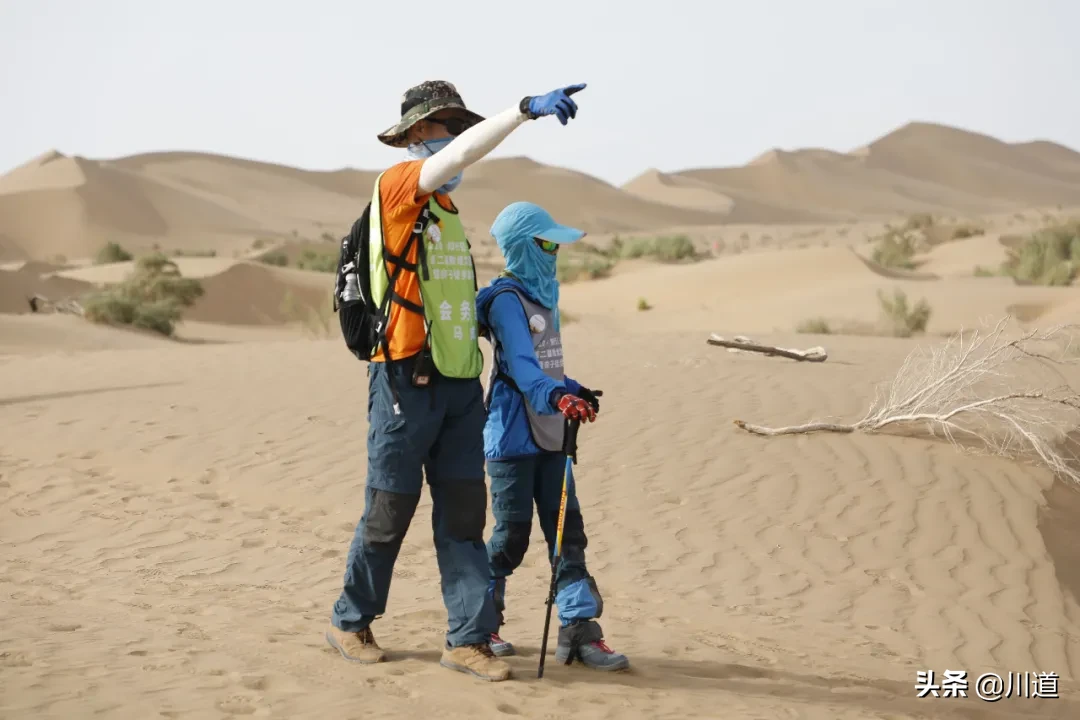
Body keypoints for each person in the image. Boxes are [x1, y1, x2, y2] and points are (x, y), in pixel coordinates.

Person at [325, 80, 588, 683]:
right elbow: (458, 156)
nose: (455, 138)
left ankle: (467, 640)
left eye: (457, 125)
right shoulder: (398, 188)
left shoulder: (445, 215)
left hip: (459, 390)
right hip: (402, 384)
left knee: (465, 520)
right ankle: (351, 619)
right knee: (389, 513)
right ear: (418, 132)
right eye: (445, 125)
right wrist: (521, 113)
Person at [475, 201, 630, 672]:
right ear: (524, 246)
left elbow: (545, 368)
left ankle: (579, 632)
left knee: (569, 536)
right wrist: (557, 397)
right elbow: (522, 369)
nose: (554, 252)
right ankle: (477, 626)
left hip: (552, 434)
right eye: (547, 243)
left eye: (556, 244)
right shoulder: (506, 299)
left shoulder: (543, 296)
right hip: (512, 440)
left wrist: (571, 388)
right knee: (510, 539)